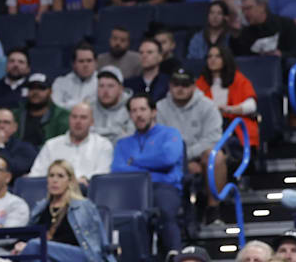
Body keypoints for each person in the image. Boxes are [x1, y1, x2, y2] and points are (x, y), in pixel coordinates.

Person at [112, 94, 184, 252]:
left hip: (163, 187)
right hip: (131, 190)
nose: (139, 114)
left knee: (164, 210)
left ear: (153, 112)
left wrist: (136, 161)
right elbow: (118, 169)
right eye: (134, 110)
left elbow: (167, 159)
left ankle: (174, 254)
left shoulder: (170, 134)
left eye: (143, 109)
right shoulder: (123, 143)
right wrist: (152, 168)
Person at [157, 68, 224, 224]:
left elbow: (213, 138)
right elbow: (159, 139)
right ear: (170, 86)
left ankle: (213, 209)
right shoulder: (160, 108)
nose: (180, 89)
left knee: (216, 156)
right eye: (176, 84)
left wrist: (189, 157)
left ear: (194, 86)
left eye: (185, 84)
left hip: (199, 158)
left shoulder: (208, 106)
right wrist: (184, 162)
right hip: (171, 159)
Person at [13, 160, 115, 262]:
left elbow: (98, 239)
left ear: (70, 181)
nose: (55, 180)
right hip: (50, 255)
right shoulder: (41, 207)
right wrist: (20, 244)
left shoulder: (83, 206)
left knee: (35, 245)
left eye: (60, 176)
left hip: (80, 255)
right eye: (51, 176)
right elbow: (29, 233)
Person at [196, 46, 260, 150]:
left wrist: (230, 109)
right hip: (209, 126)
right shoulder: (201, 82)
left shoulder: (238, 79)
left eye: (217, 56)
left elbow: (251, 106)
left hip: (233, 124)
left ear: (225, 59)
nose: (212, 59)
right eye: (210, 56)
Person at [232, 0, 296, 58]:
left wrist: (281, 54)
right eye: (243, 10)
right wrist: (235, 36)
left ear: (262, 7)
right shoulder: (245, 32)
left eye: (249, 8)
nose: (245, 13)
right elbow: (241, 57)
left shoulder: (285, 24)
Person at [14, 74, 69, 148]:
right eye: (32, 88)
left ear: (50, 91)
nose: (36, 92)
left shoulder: (61, 116)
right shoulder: (15, 115)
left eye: (41, 88)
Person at [0, 48, 31, 113]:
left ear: (28, 69)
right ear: (5, 66)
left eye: (21, 62)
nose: (15, 65)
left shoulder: (33, 90)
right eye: (12, 61)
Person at [52, 43, 99, 109]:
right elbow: (57, 107)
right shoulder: (60, 82)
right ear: (73, 64)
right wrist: (85, 104)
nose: (85, 65)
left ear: (96, 63)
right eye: (81, 61)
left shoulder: (103, 83)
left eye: (89, 61)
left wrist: (69, 104)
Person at [93, 67, 133, 143]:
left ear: (121, 89)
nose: (105, 91)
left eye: (110, 86)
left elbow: (131, 139)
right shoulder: (88, 107)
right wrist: (116, 132)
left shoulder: (132, 107)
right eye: (101, 86)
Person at [124, 38, 171, 102]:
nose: (144, 55)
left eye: (149, 52)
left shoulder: (169, 83)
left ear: (160, 56)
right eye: (141, 52)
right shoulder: (129, 84)